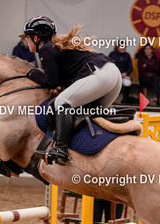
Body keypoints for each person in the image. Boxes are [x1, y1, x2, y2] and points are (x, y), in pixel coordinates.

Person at [23, 16, 122, 166]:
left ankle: (61, 150)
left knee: (61, 103)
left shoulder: (46, 49)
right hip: (113, 74)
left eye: (27, 37)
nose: (26, 41)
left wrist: (31, 73)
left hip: (99, 74)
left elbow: (51, 82)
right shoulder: (54, 47)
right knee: (87, 112)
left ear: (36, 38)